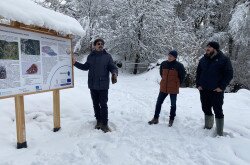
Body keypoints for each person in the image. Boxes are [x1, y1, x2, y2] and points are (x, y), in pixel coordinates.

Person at [73, 38, 118, 133]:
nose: (100, 45)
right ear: (95, 45)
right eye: (98, 43)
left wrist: (114, 73)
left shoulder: (107, 56)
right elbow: (85, 67)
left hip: (103, 86)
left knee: (103, 105)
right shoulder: (91, 56)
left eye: (102, 43)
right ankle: (98, 121)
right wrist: (75, 63)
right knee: (95, 104)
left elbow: (112, 67)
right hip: (93, 85)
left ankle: (105, 124)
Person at [196, 41, 233, 136]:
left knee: (218, 110)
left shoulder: (224, 59)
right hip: (204, 90)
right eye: (207, 46)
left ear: (215, 49)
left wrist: (221, 87)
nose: (207, 48)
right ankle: (208, 127)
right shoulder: (203, 59)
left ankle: (219, 132)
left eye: (210, 47)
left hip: (216, 91)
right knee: (205, 108)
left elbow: (229, 74)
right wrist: (198, 84)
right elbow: (198, 73)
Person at [148, 50, 186, 127]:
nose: (169, 57)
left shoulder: (179, 66)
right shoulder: (163, 64)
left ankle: (171, 119)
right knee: (158, 102)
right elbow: (161, 74)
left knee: (173, 104)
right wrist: (165, 81)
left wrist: (176, 83)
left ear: (175, 57)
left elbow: (182, 76)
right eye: (168, 55)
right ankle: (155, 118)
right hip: (163, 87)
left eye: (171, 56)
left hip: (173, 88)